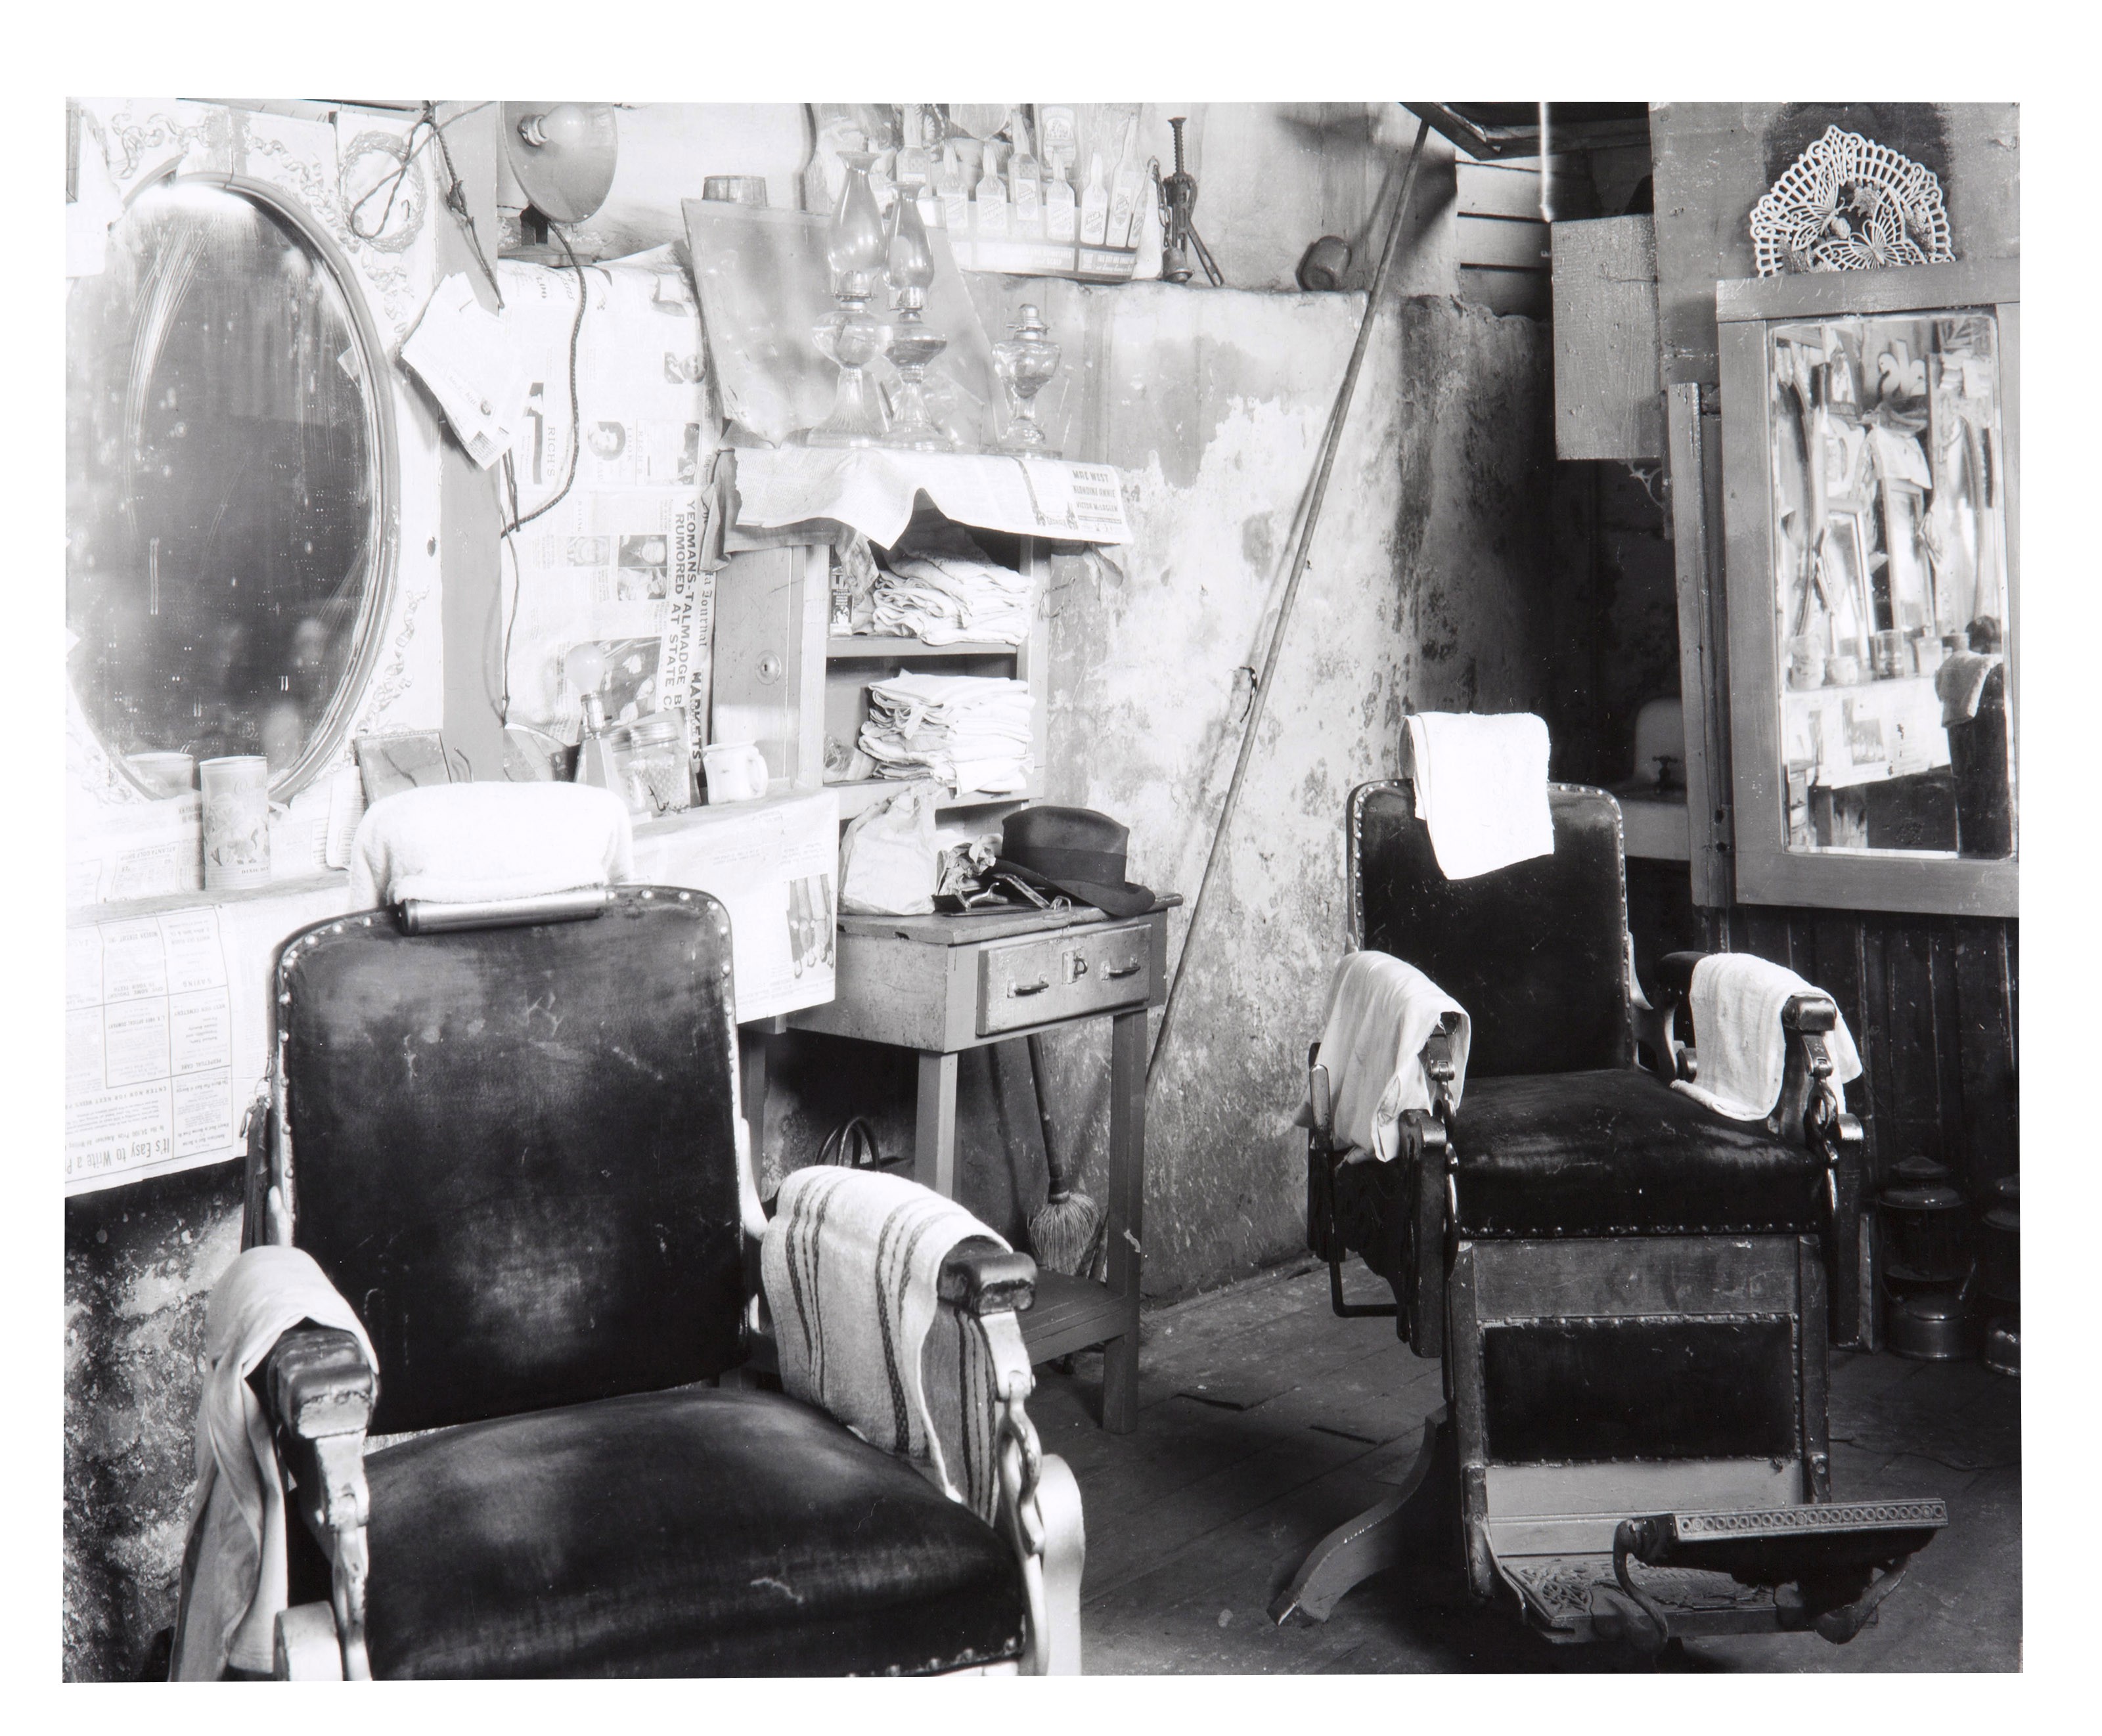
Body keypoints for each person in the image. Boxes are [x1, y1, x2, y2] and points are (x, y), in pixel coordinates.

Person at [1935, 616, 2011, 858]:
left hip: (1987, 726)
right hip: (1985, 730)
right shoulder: (1985, 667)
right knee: (1984, 791)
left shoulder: (1984, 666)